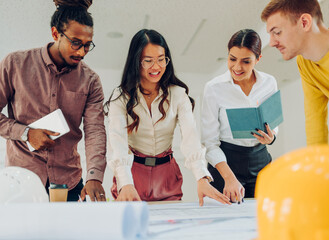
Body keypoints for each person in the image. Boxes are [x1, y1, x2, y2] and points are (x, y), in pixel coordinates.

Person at [105, 29, 230, 206]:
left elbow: (191, 138)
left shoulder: (178, 94)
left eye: (161, 59)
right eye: (148, 61)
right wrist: (125, 182)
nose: (156, 67)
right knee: (132, 229)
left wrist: (202, 177)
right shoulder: (121, 96)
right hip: (133, 172)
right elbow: (117, 142)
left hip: (166, 173)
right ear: (136, 62)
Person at [0, 0, 107, 202]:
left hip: (70, 183)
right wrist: (25, 133)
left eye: (87, 45)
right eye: (76, 43)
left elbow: (95, 130)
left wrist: (95, 176)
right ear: (56, 34)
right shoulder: (14, 64)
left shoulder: (90, 80)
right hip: (22, 184)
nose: (81, 52)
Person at [261, 0, 329, 145]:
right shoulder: (305, 64)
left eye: (277, 32)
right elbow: (315, 123)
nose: (271, 43)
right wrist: (316, 164)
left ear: (304, 23)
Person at [201, 29, 278, 200]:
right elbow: (210, 142)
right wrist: (228, 178)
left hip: (260, 162)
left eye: (246, 61)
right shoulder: (214, 88)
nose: (237, 67)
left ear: (258, 59)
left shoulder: (269, 83)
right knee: (222, 221)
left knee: (260, 218)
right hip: (226, 163)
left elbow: (274, 123)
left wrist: (271, 137)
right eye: (232, 59)